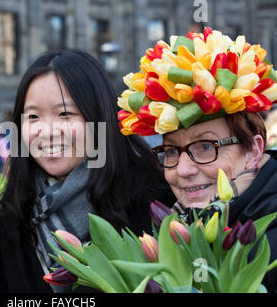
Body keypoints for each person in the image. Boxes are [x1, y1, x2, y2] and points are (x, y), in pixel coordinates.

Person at [0, 49, 175, 293]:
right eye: (33, 116)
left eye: (65, 114)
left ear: (99, 118)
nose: (47, 131)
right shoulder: (13, 218)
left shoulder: (153, 205)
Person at [117, 27, 277, 292]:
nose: (182, 170)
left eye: (205, 146)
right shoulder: (167, 230)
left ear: (254, 151)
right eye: (170, 151)